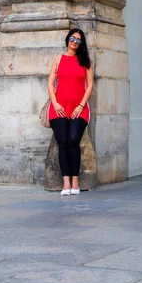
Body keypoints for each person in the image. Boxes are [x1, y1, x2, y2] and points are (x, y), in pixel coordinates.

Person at [47, 28, 94, 196]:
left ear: (81, 44)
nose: (75, 41)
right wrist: (55, 103)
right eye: (73, 38)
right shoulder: (58, 59)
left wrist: (81, 105)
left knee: (73, 140)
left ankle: (76, 180)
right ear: (68, 39)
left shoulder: (85, 62)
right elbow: (51, 83)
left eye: (78, 40)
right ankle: (66, 181)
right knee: (63, 143)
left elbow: (89, 86)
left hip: (79, 109)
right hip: (58, 107)